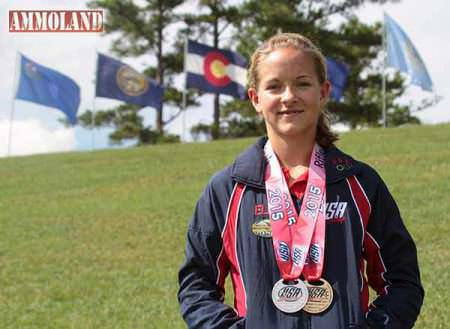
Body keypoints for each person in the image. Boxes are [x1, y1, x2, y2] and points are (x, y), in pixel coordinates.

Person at [178, 33, 423, 329]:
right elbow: (197, 286)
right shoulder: (227, 189)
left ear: (323, 92)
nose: (289, 96)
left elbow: (401, 279)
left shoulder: (360, 183)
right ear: (256, 99)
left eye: (302, 83)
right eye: (274, 86)